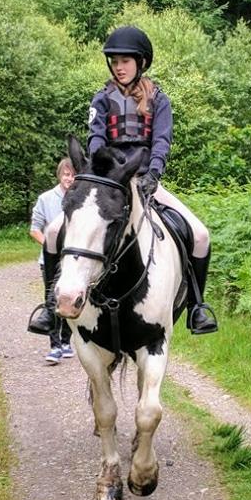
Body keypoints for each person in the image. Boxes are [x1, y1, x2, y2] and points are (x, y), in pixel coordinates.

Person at [27, 25, 217, 336]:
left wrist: (154, 174)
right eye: (114, 61)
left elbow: (161, 141)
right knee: (51, 232)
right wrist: (100, 174)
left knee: (200, 235)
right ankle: (51, 309)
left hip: (144, 180)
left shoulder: (159, 100)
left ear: (140, 63)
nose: (119, 67)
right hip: (108, 184)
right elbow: (95, 139)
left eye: (125, 61)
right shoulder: (101, 99)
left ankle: (197, 307)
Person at [30, 158, 76, 364]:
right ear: (59, 175)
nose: (69, 178)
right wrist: (50, 246)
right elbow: (35, 229)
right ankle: (54, 345)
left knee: (70, 297)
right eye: (66, 174)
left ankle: (66, 340)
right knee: (53, 300)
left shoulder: (81, 198)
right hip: (51, 259)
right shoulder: (46, 198)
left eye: (73, 175)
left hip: (73, 260)